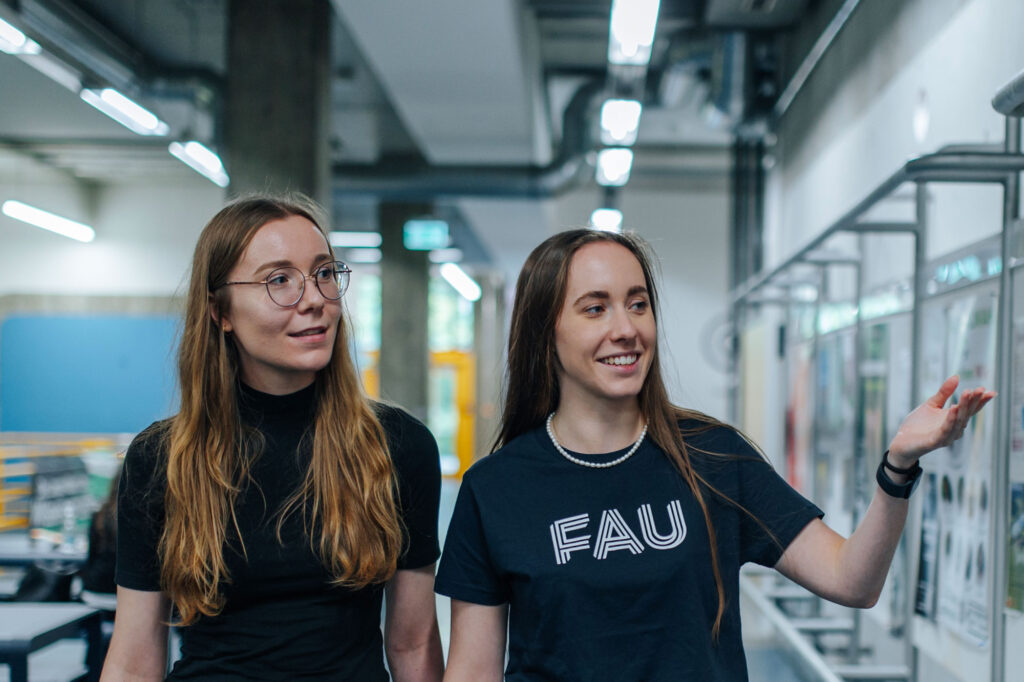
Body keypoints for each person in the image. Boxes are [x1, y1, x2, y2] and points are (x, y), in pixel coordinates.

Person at [435, 229, 993, 681]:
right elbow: (474, 672)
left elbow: (853, 581)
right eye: (595, 309)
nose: (626, 329)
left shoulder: (712, 456)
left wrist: (897, 468)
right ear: (544, 332)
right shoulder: (496, 489)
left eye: (638, 304)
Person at [102, 195, 444, 681]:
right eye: (279, 280)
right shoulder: (163, 459)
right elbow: (135, 660)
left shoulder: (396, 445)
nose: (313, 299)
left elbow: (413, 645)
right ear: (220, 312)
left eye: (324, 273)